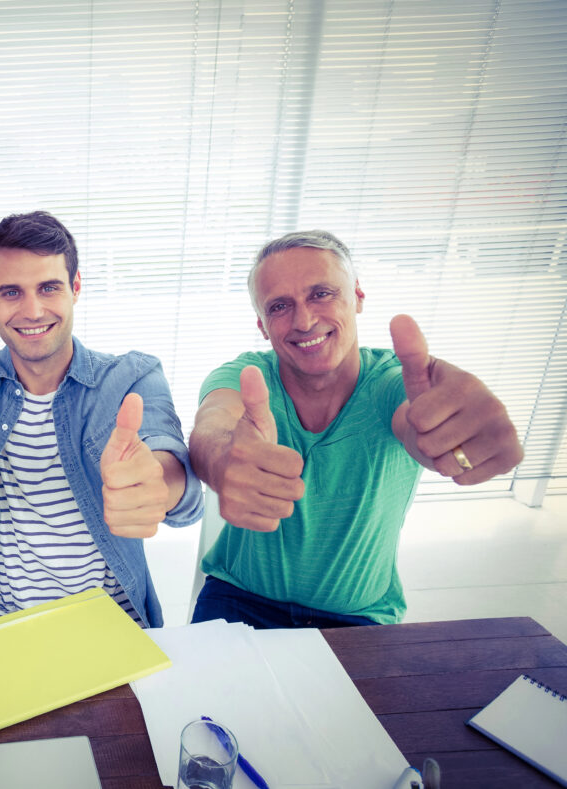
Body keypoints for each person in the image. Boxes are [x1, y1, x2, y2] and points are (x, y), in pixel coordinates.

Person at [188, 230, 524, 628]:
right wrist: (222, 460)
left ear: (358, 297)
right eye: (279, 306)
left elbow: (413, 422)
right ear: (262, 325)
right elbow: (213, 424)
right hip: (238, 598)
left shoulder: (392, 383)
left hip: (358, 615)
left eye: (321, 294)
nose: (304, 319)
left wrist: (449, 437)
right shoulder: (247, 376)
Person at [0, 211, 202, 631]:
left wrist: (155, 485)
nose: (33, 310)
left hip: (110, 624)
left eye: (49, 287)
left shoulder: (134, 376)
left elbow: (168, 462)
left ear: (75, 288)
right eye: (11, 292)